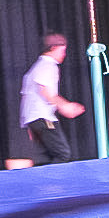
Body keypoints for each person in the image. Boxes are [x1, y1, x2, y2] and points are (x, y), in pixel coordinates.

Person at [18, 32, 85, 166]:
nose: (64, 55)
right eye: (62, 51)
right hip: (42, 118)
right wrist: (66, 107)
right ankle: (52, 179)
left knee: (45, 157)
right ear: (53, 48)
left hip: (33, 119)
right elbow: (46, 92)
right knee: (62, 153)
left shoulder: (36, 67)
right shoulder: (48, 66)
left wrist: (28, 124)